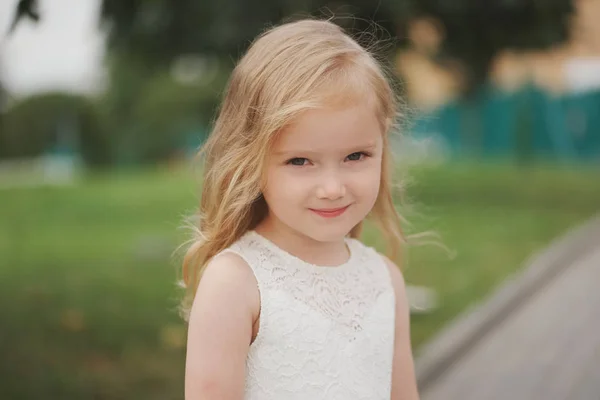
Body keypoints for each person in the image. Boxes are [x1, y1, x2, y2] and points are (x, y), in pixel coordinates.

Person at [181, 18, 420, 400]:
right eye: (300, 161)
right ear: (251, 160)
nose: (332, 188)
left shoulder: (386, 280)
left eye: (355, 155)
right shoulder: (236, 283)